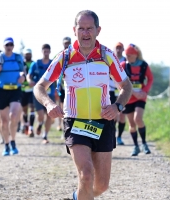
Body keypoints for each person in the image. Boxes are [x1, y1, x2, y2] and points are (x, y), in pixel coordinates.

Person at [34, 10, 132, 200]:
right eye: (81, 29)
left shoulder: (107, 56)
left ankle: (78, 197)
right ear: (74, 30)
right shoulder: (65, 57)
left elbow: (126, 86)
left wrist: (117, 106)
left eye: (90, 29)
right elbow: (39, 87)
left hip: (103, 123)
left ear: (98, 30)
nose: (85, 33)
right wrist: (48, 104)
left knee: (101, 185)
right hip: (75, 122)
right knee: (86, 175)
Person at [0, 37, 25, 156]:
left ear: (13, 46)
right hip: (2, 91)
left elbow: (23, 71)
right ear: (3, 46)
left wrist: (22, 76)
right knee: (4, 120)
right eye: (7, 45)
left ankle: (13, 142)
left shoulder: (18, 57)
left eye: (11, 45)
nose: (9, 47)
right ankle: (6, 145)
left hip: (15, 90)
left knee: (13, 116)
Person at [121, 44, 154, 156]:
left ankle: (144, 144)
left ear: (135, 55)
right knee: (131, 124)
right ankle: (136, 146)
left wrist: (144, 91)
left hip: (140, 97)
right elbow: (119, 81)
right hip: (128, 98)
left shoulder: (144, 65)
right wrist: (132, 92)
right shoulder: (123, 66)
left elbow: (150, 79)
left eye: (129, 55)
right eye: (126, 55)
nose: (127, 57)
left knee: (138, 119)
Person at [28, 44, 55, 144]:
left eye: (48, 51)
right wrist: (29, 81)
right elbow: (29, 75)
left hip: (50, 93)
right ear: (42, 51)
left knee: (49, 115)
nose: (46, 53)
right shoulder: (35, 63)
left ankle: (45, 135)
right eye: (44, 51)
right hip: (38, 94)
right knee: (40, 115)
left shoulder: (53, 63)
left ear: (50, 52)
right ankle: (39, 123)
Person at [113, 42, 127, 145]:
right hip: (111, 90)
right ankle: (112, 136)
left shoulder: (126, 62)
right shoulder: (110, 59)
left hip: (122, 91)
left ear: (123, 49)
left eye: (120, 48)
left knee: (122, 115)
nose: (118, 50)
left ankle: (119, 137)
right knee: (113, 115)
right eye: (117, 48)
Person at [20, 48, 36, 137]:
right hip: (23, 90)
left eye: (29, 54)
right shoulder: (21, 64)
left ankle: (31, 128)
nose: (28, 55)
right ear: (24, 55)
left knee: (32, 108)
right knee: (24, 110)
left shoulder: (34, 64)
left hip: (32, 89)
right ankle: (26, 124)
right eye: (26, 54)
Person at [57, 37, 71, 133]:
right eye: (65, 43)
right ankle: (61, 126)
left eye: (68, 43)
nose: (66, 44)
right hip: (61, 86)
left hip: (72, 86)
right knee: (62, 107)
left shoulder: (74, 53)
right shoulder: (59, 55)